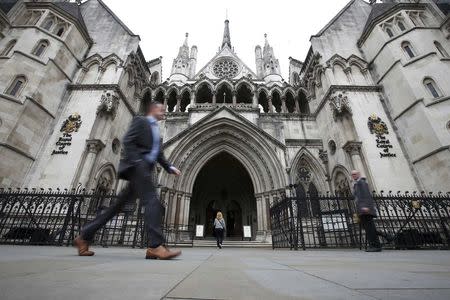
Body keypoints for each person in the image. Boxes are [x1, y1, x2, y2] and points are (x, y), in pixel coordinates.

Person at [74, 101, 182, 260]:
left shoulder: (157, 133)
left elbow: (158, 154)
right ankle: (155, 246)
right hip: (138, 168)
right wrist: (137, 163)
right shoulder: (141, 121)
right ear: (152, 109)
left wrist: (169, 168)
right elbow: (128, 140)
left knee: (116, 207)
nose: (164, 112)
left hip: (143, 170)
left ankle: (83, 236)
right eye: (161, 109)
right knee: (153, 202)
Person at [351, 170, 382, 252]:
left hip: (365, 209)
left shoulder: (362, 182)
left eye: (354, 174)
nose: (353, 176)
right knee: (368, 228)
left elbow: (366, 195)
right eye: (352, 175)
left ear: (358, 174)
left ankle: (375, 246)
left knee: (369, 228)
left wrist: (365, 206)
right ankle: (385, 237)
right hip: (361, 209)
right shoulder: (356, 184)